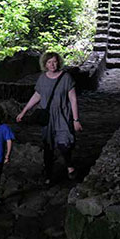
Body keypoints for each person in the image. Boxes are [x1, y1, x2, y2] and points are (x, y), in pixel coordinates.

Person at [16, 51, 82, 185]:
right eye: (49, 62)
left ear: (59, 62)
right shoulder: (42, 78)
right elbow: (37, 96)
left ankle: (69, 166)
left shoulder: (66, 78)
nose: (52, 64)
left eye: (55, 61)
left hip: (63, 115)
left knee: (64, 143)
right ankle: (49, 174)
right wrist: (24, 111)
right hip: (48, 117)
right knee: (48, 146)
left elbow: (73, 99)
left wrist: (76, 120)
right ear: (45, 64)